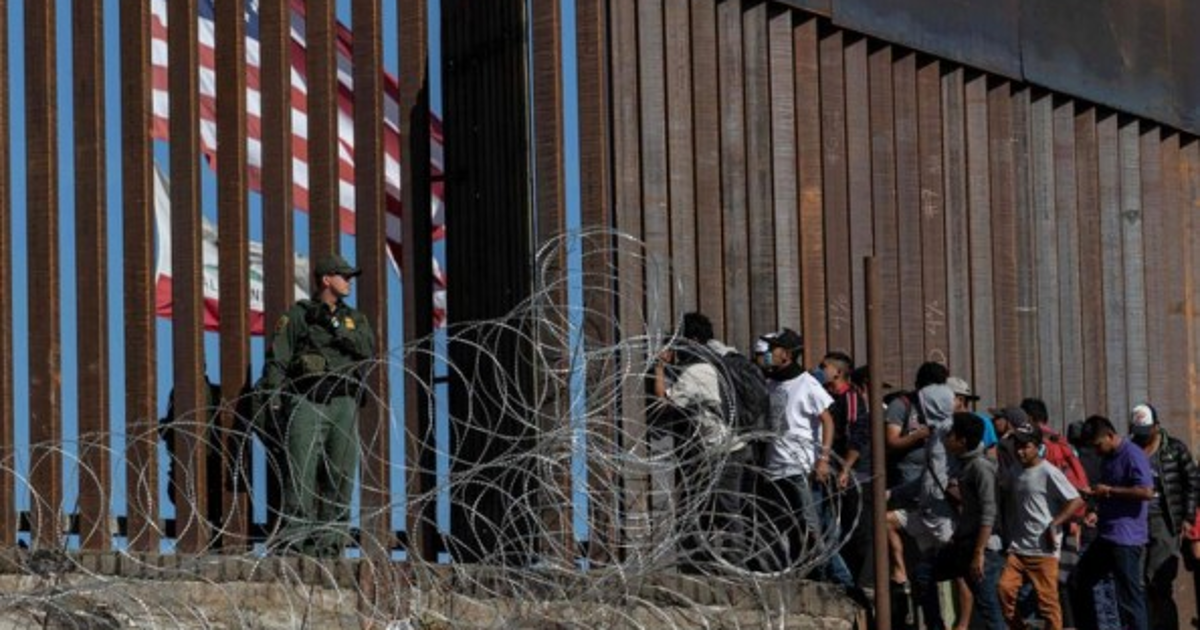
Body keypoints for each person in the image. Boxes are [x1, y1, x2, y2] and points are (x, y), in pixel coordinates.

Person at [258, 254, 376, 557]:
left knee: (341, 476)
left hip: (343, 402)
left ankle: (331, 547)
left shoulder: (355, 319)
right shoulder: (299, 316)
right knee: (301, 474)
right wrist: (274, 402)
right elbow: (278, 360)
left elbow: (366, 348)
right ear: (326, 279)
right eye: (343, 276)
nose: (348, 282)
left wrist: (336, 326)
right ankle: (295, 545)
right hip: (307, 400)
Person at [756, 329, 855, 589]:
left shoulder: (806, 383)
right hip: (775, 467)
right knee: (788, 527)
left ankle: (842, 582)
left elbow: (827, 421)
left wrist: (823, 459)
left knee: (812, 528)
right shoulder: (772, 383)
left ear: (787, 354)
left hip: (800, 466)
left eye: (774, 349)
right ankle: (807, 575)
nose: (768, 354)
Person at [1070, 415, 1155, 630]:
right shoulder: (1108, 457)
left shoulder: (1132, 454)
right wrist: (1095, 505)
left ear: (1110, 435)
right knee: (1079, 580)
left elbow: (1146, 492)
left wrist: (1109, 491)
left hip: (1126, 538)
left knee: (1129, 598)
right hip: (1107, 534)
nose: (1096, 451)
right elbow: (1109, 491)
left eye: (1098, 445)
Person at [996, 426, 1084, 630]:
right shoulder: (1015, 470)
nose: (1020, 451)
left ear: (1037, 447)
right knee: (1004, 590)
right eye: (1017, 446)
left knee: (1048, 605)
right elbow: (1003, 487)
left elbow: (1076, 500)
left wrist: (1055, 523)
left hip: (1043, 550)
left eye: (1025, 446)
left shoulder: (1049, 472)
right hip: (1018, 548)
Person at [1129, 403, 1200, 630]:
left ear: (1157, 426)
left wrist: (1188, 517)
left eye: (1146, 432)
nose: (1142, 437)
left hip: (1164, 522)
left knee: (1160, 581)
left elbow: (1193, 482)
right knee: (1138, 583)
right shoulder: (1130, 450)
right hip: (1136, 523)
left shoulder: (1175, 449)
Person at [934, 412, 1003, 630]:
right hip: (966, 543)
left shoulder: (980, 467)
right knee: (924, 573)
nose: (947, 439)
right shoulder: (965, 464)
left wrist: (979, 553)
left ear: (962, 441)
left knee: (990, 611)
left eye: (951, 435)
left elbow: (989, 511)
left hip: (983, 549)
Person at [822, 351, 874, 590]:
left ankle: (856, 582)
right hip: (832, 469)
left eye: (825, 366)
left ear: (838, 372)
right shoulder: (826, 395)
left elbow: (857, 436)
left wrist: (845, 469)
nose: (821, 370)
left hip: (852, 473)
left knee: (854, 529)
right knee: (833, 525)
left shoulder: (851, 397)